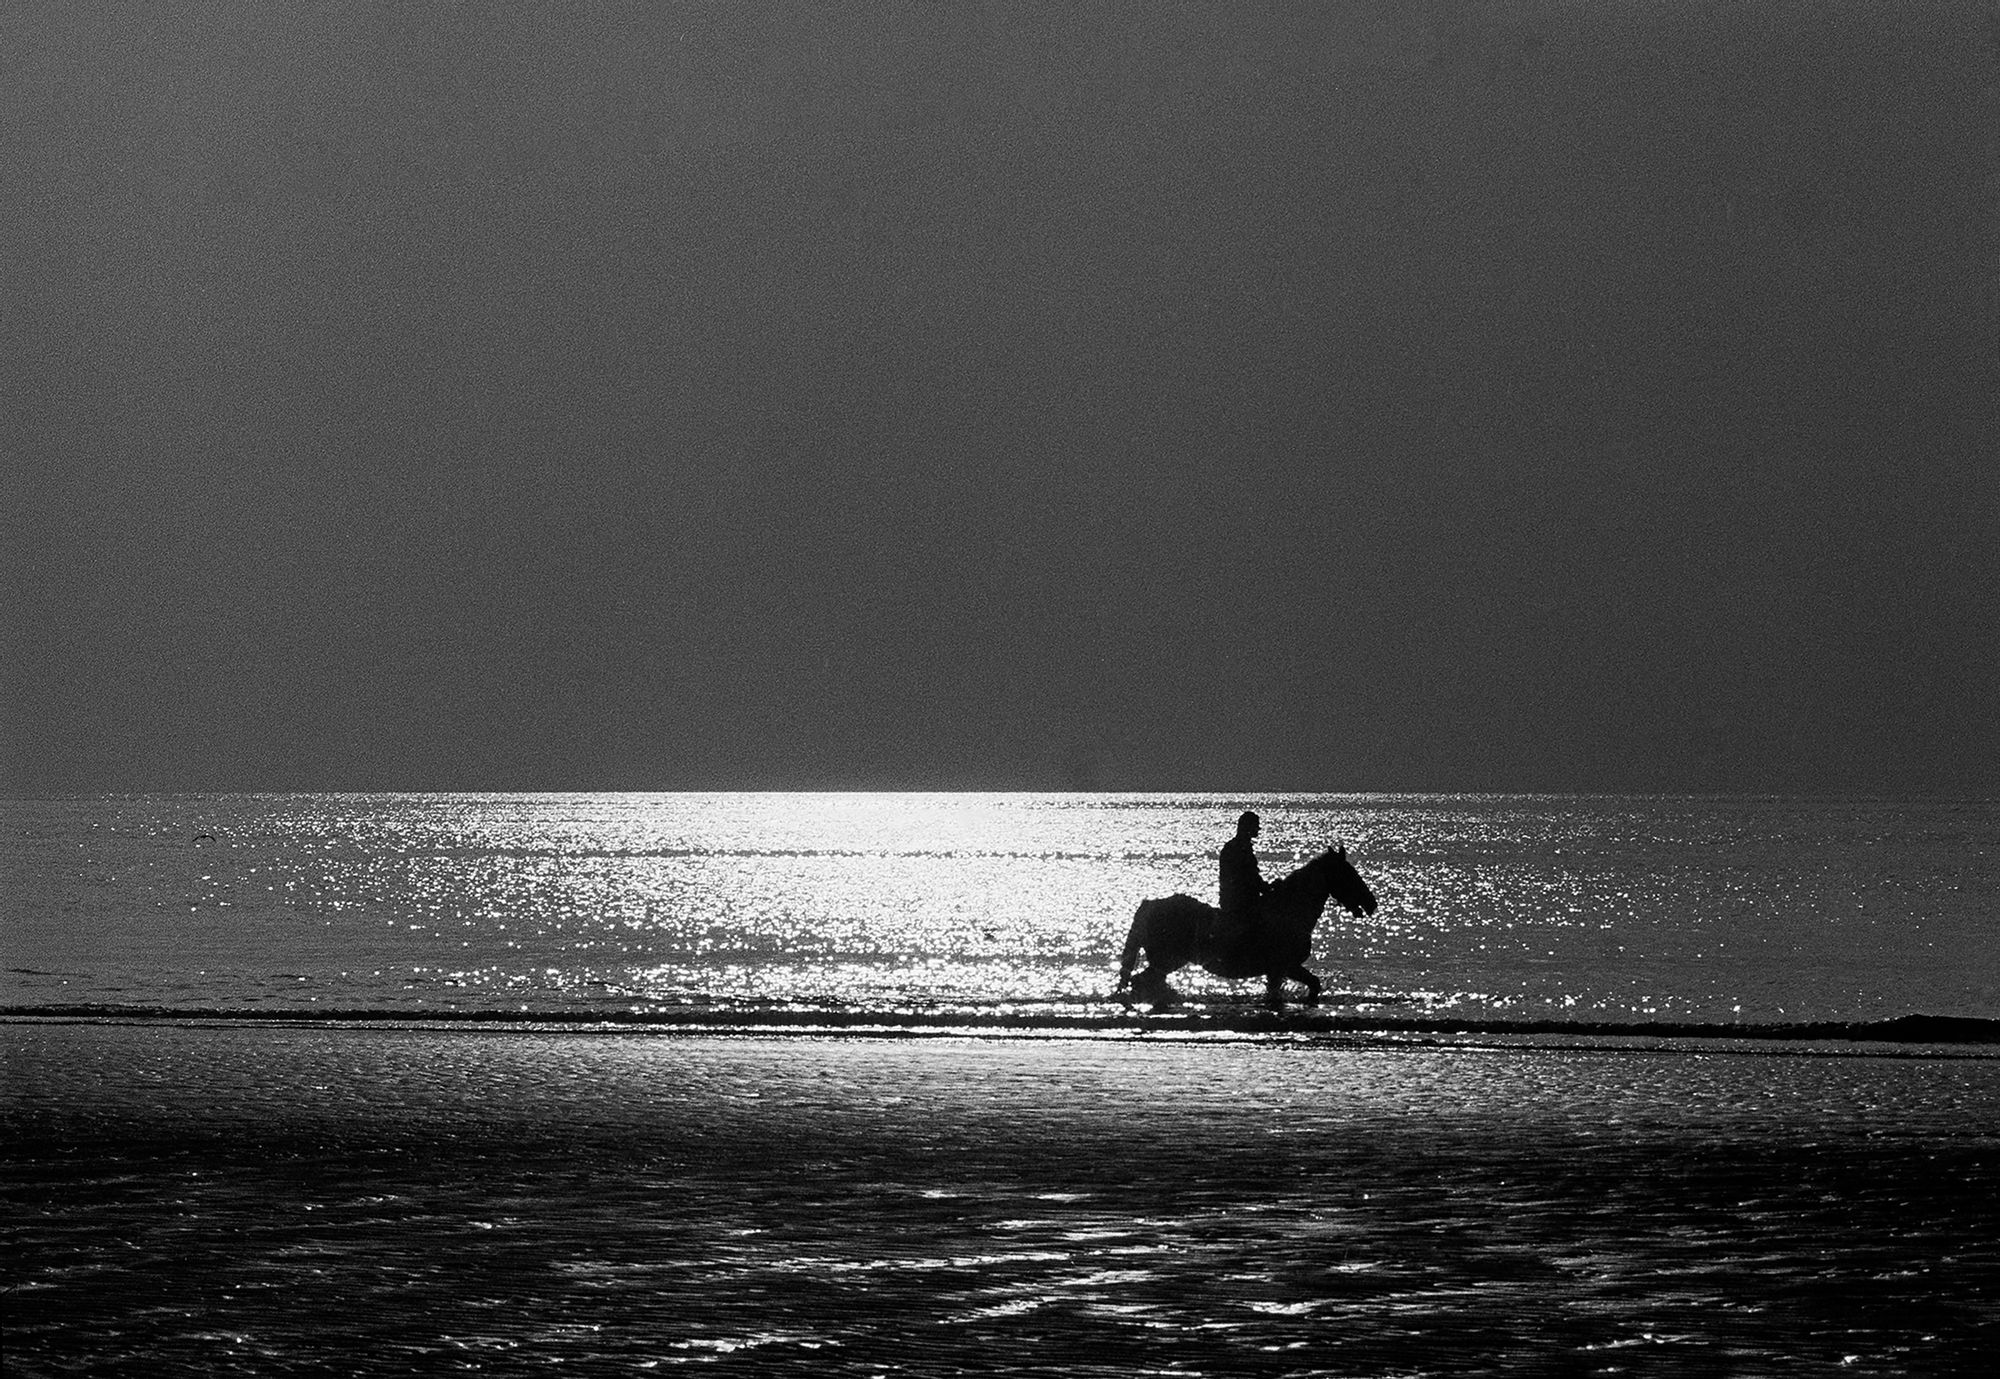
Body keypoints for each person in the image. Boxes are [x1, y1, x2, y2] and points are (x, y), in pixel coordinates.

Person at [1216, 810, 1269, 958]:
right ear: (1248, 827)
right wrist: (1264, 888)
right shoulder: (1237, 848)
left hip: (1242, 898)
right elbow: (1246, 877)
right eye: (1256, 826)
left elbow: (1251, 876)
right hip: (1238, 901)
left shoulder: (1241, 847)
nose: (1258, 829)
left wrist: (1265, 887)